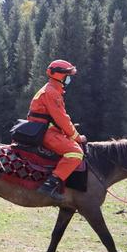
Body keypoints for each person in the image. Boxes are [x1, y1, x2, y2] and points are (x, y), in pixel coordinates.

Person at [28, 59, 86, 201]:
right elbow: (62, 119)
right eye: (68, 76)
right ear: (61, 76)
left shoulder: (50, 90)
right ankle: (50, 184)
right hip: (47, 133)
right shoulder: (52, 93)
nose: (69, 79)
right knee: (76, 152)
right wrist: (77, 137)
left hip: (44, 129)